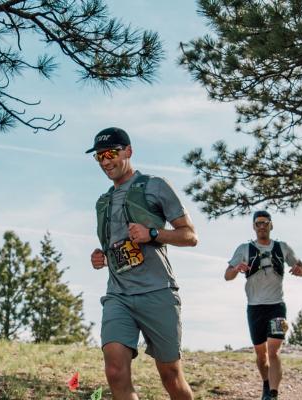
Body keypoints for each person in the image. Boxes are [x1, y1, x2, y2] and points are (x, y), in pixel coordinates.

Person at [88, 127, 198, 400]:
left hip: (157, 292)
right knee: (115, 371)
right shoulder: (103, 202)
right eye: (99, 156)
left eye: (111, 154)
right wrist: (101, 257)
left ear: (128, 151)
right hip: (119, 295)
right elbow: (115, 246)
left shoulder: (155, 185)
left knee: (171, 376)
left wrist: (153, 234)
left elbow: (190, 236)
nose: (105, 161)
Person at [224, 211, 302, 400]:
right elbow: (227, 276)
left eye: (265, 223)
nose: (262, 226)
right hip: (255, 308)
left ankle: (273, 394)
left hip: (277, 307)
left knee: (273, 351)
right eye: (258, 223)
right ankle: (266, 384)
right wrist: (236, 269)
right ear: (254, 227)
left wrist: (299, 270)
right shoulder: (244, 249)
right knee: (261, 355)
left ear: (271, 225)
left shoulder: (282, 247)